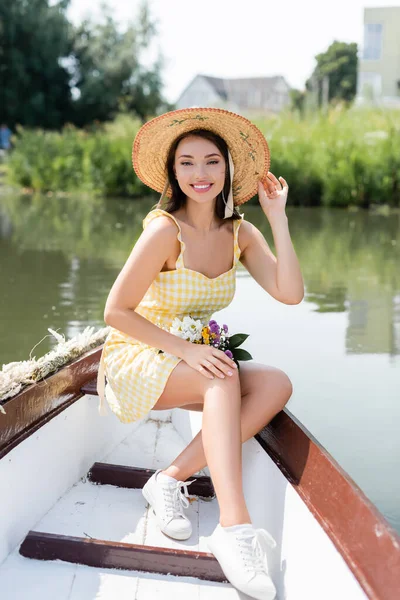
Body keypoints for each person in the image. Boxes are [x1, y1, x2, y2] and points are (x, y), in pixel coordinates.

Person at [97, 107, 304, 600]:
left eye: (211, 162)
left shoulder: (241, 234)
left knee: (275, 383)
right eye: (187, 163)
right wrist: (187, 349)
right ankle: (235, 530)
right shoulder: (163, 231)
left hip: (194, 360)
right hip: (139, 354)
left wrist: (277, 219)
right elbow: (115, 311)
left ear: (228, 169)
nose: (200, 174)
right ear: (173, 173)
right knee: (223, 377)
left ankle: (169, 480)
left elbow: (290, 293)